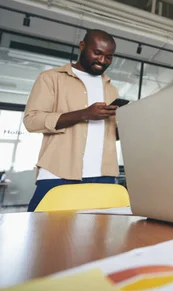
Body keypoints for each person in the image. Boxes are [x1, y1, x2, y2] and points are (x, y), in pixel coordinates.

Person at [24, 29, 121, 211]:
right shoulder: (50, 78)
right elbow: (32, 120)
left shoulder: (112, 90)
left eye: (109, 57)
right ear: (82, 46)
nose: (102, 61)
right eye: (97, 53)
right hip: (58, 173)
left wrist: (130, 126)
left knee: (99, 238)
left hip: (104, 175)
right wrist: (84, 114)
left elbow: (109, 134)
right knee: (44, 236)